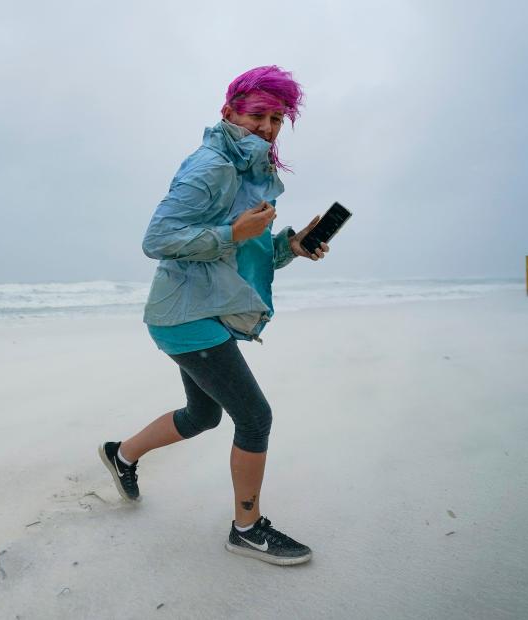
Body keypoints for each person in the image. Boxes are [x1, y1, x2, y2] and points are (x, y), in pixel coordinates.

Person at [98, 65, 329, 566]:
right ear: (229, 112)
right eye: (258, 115)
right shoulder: (212, 167)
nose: (268, 128)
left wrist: (289, 247)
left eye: (277, 118)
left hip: (203, 308)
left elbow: (239, 251)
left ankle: (121, 454)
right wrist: (233, 234)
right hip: (185, 315)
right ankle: (246, 528)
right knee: (254, 417)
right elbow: (156, 240)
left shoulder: (248, 168)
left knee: (203, 415)